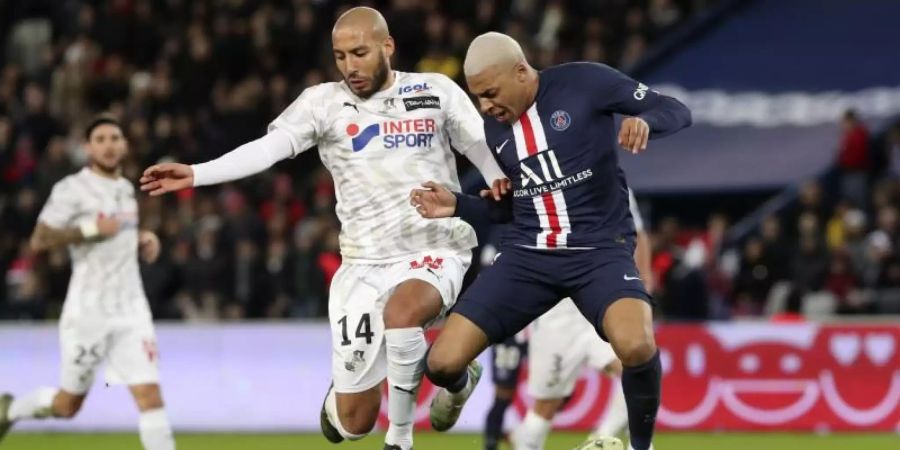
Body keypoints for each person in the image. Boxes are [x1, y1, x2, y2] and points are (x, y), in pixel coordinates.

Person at [138, 8, 504, 450]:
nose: (350, 66)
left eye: (360, 53)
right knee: (351, 425)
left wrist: (499, 178)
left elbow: (482, 145)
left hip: (436, 246)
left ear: (387, 47)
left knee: (403, 315)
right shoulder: (322, 104)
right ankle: (458, 380)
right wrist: (198, 173)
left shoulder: (435, 91)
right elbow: (268, 149)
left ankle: (401, 439)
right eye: (340, 56)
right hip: (364, 263)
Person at [410, 32, 691, 450]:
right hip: (528, 256)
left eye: (490, 93)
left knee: (637, 345)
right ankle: (462, 383)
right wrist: (458, 205)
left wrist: (645, 120)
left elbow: (675, 109)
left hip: (599, 252)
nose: (485, 106)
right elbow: (515, 208)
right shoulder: (495, 129)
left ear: (521, 71)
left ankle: (640, 447)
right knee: (441, 362)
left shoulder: (586, 83)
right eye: (478, 98)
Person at [0, 116, 174, 450]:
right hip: (88, 312)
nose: (109, 144)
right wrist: (91, 230)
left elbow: (117, 232)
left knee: (150, 395)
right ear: (88, 147)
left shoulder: (125, 190)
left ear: (124, 145)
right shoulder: (71, 189)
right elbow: (39, 239)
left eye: (115, 137)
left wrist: (140, 238)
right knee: (68, 405)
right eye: (100, 138)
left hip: (131, 310)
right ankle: (11, 410)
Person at [512, 190, 653, 450]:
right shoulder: (541, 181)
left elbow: (639, 232)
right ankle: (526, 443)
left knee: (636, 372)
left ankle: (599, 441)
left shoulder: (612, 178)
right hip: (557, 311)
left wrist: (643, 279)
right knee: (546, 405)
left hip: (602, 298)